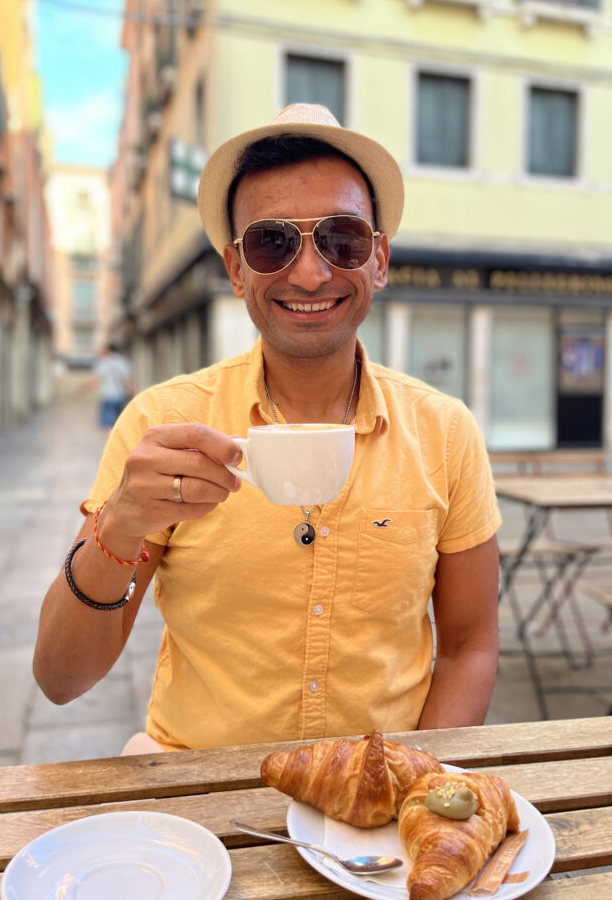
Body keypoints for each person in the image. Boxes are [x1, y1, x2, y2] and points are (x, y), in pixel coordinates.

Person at [34, 103, 501, 755]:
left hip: (375, 802)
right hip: (202, 796)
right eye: (272, 242)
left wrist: (409, 778)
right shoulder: (162, 424)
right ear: (235, 269)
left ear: (380, 260)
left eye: (342, 239)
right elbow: (61, 678)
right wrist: (121, 522)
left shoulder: (446, 431)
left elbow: (469, 646)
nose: (310, 273)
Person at [92, 343, 135, 430]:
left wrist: (81, 390)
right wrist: (133, 393)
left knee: (106, 424)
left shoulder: (104, 362)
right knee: (118, 422)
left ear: (108, 350)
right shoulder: (123, 362)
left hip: (108, 396)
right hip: (121, 396)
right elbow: (128, 380)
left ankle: (109, 441)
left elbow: (95, 380)